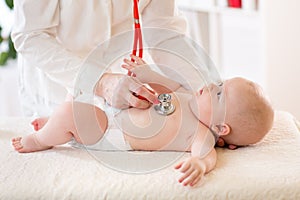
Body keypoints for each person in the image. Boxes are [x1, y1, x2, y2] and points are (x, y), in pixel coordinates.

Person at [12, 55, 274, 187]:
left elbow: (206, 156)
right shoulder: (187, 95)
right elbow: (165, 85)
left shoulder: (201, 133)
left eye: (218, 93)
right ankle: (60, 125)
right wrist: (146, 71)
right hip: (114, 106)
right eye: (219, 82)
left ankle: (41, 138)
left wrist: (199, 164)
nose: (210, 85)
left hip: (114, 133)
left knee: (72, 114)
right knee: (81, 87)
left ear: (221, 127)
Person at [12, 0, 212, 117]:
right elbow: (30, 35)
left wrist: (210, 95)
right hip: (56, 92)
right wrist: (99, 82)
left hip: (122, 97)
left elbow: (165, 33)